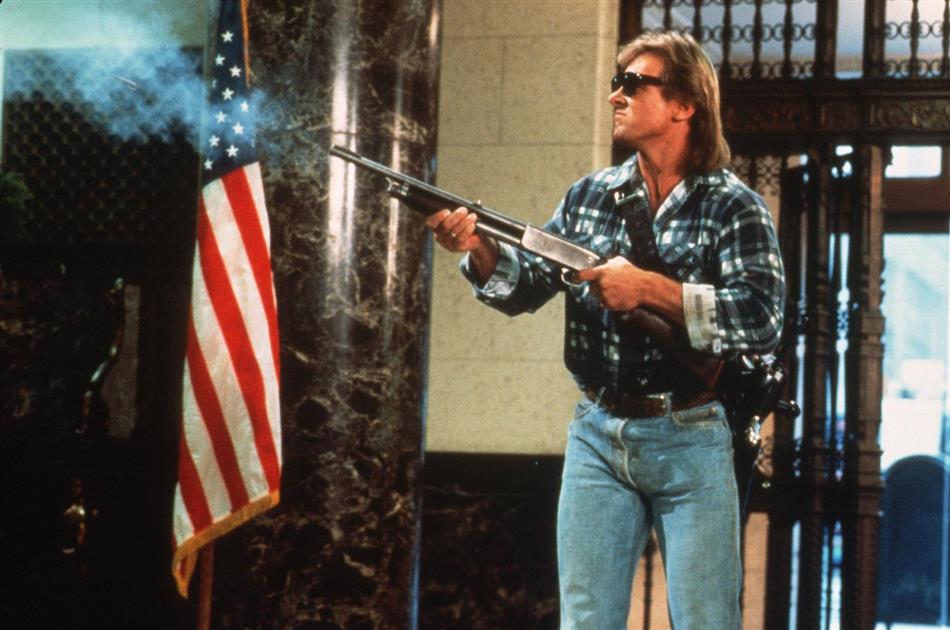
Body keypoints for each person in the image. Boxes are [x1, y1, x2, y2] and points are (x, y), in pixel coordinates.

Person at [425, 31, 785, 629]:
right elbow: (526, 285)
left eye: (632, 84)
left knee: (706, 619)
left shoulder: (733, 205)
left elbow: (761, 319)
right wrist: (477, 247)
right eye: (616, 82)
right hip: (597, 430)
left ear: (684, 104)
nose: (615, 95)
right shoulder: (591, 195)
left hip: (692, 433)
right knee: (585, 620)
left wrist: (648, 289)